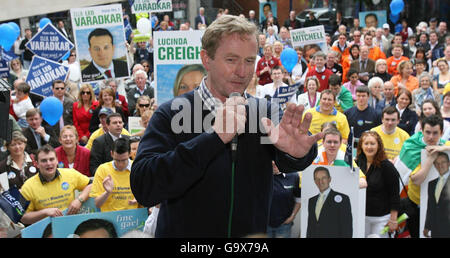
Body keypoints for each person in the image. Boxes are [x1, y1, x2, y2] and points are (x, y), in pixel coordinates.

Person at [130, 15, 321, 238]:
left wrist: (298, 154)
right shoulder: (171, 113)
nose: (242, 71)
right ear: (206, 59)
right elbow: (144, 187)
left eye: (249, 61)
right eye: (231, 60)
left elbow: (289, 159)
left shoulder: (264, 112)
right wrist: (213, 138)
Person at [395, 115, 450, 238]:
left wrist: (443, 148)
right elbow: (417, 180)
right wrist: (430, 158)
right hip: (416, 204)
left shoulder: (443, 145)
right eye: (428, 132)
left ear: (441, 133)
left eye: (435, 133)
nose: (431, 137)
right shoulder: (412, 146)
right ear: (422, 131)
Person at [20, 145, 92, 225]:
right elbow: (23, 218)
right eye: (44, 161)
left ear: (57, 160)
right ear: (36, 164)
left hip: (71, 224)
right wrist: (45, 212)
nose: (49, 163)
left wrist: (79, 200)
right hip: (47, 230)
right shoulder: (28, 186)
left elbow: (91, 185)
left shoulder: (70, 174)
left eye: (51, 159)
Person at [355, 131, 400, 237]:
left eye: (372, 144)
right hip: (361, 217)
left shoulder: (387, 167)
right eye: (366, 144)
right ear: (361, 146)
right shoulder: (356, 164)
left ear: (378, 145)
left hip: (382, 219)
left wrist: (393, 219)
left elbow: (394, 195)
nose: (369, 147)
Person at [90, 138, 139, 212]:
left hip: (132, 218)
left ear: (130, 154)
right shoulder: (102, 169)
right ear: (111, 154)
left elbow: (148, 196)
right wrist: (107, 192)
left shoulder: (137, 168)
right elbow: (97, 204)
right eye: (117, 160)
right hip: (110, 217)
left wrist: (139, 199)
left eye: (124, 160)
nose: (120, 164)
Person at [306, 166, 353, 238]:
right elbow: (310, 227)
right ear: (314, 181)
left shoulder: (343, 199)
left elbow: (347, 227)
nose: (320, 182)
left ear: (329, 179)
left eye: (323, 178)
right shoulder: (311, 201)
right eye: (317, 179)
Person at [267, 161, 301, 238]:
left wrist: (292, 216)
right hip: (264, 225)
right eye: (271, 160)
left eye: (276, 160)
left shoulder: (294, 176)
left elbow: (299, 199)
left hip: (284, 225)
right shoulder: (260, 177)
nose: (273, 163)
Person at [424, 152, 450, 238]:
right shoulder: (431, 184)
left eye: (443, 162)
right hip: (436, 229)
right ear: (434, 165)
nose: (440, 165)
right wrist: (427, 226)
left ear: (448, 163)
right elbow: (430, 206)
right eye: (437, 163)